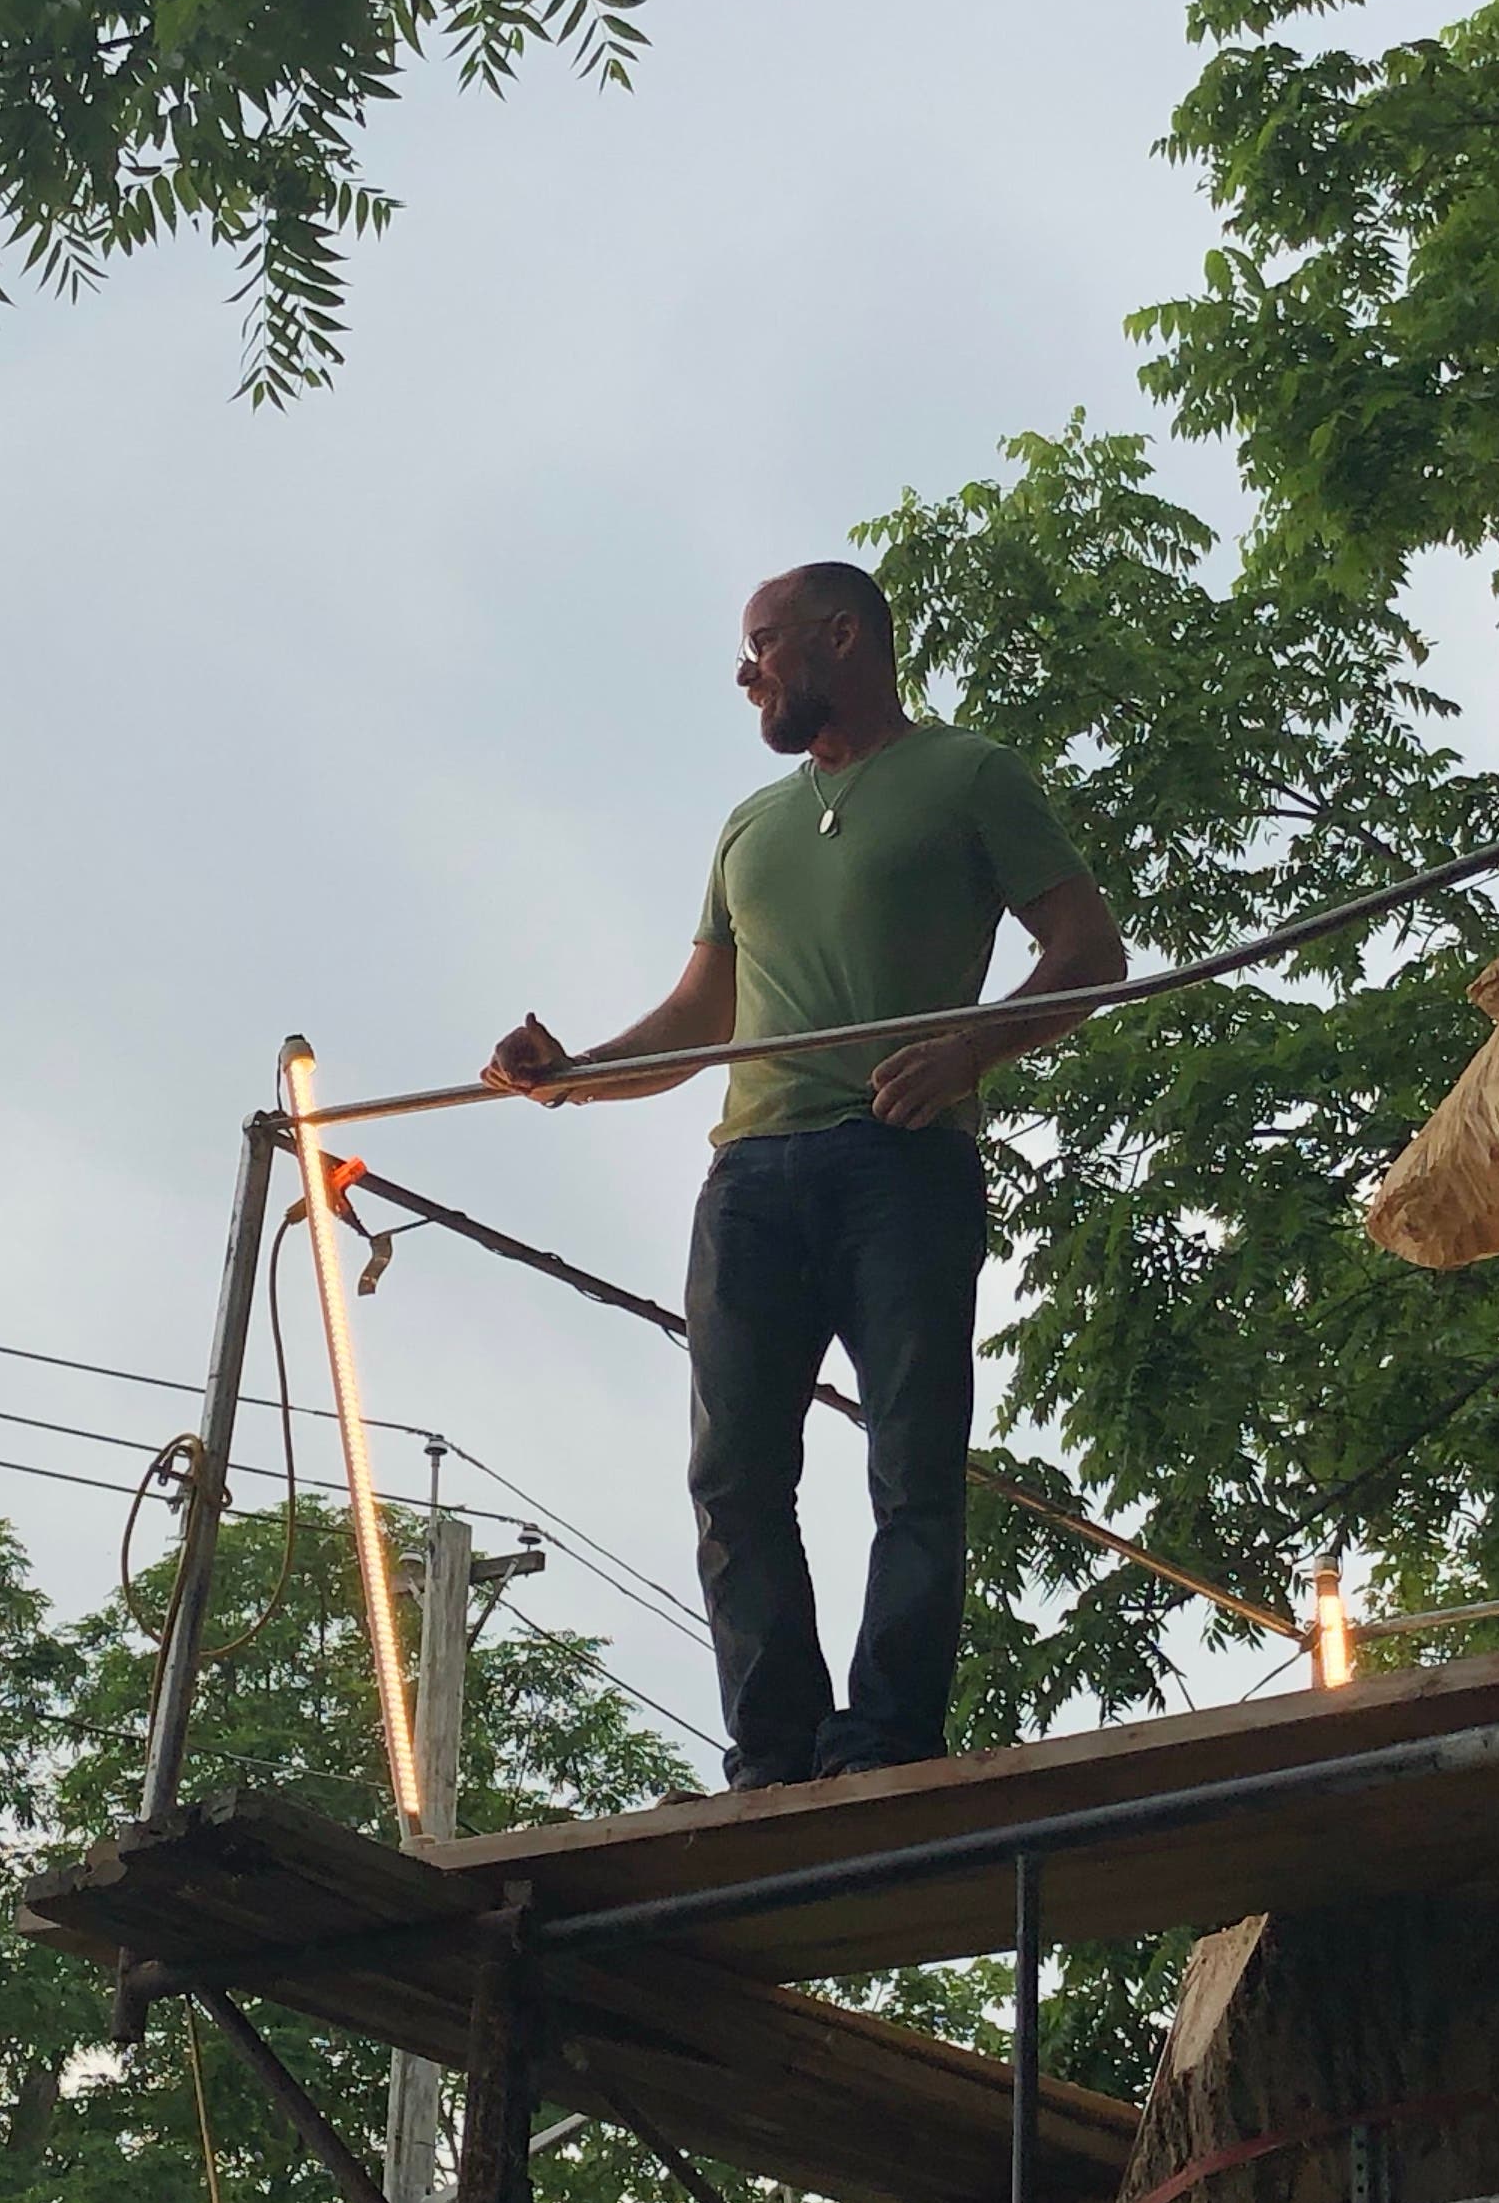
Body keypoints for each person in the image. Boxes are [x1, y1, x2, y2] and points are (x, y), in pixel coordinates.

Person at [483, 562, 1126, 1787]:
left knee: (912, 1463)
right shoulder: (750, 825)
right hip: (751, 1179)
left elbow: (1090, 950)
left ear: (843, 637)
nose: (746, 673)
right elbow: (699, 1017)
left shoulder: (969, 774)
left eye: (764, 644)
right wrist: (568, 1074)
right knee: (733, 1477)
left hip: (903, 1164)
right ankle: (775, 1755)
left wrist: (971, 1048)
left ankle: (885, 1740)